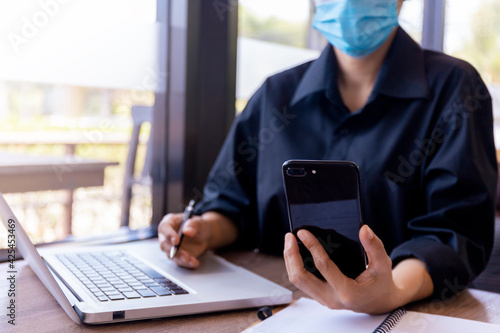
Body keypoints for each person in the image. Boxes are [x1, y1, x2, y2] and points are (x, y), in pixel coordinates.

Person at [158, 0, 497, 314]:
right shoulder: (275, 95)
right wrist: (204, 230)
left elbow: (456, 231)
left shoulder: (455, 87)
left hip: (404, 314)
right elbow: (233, 204)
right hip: (274, 306)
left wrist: (392, 289)